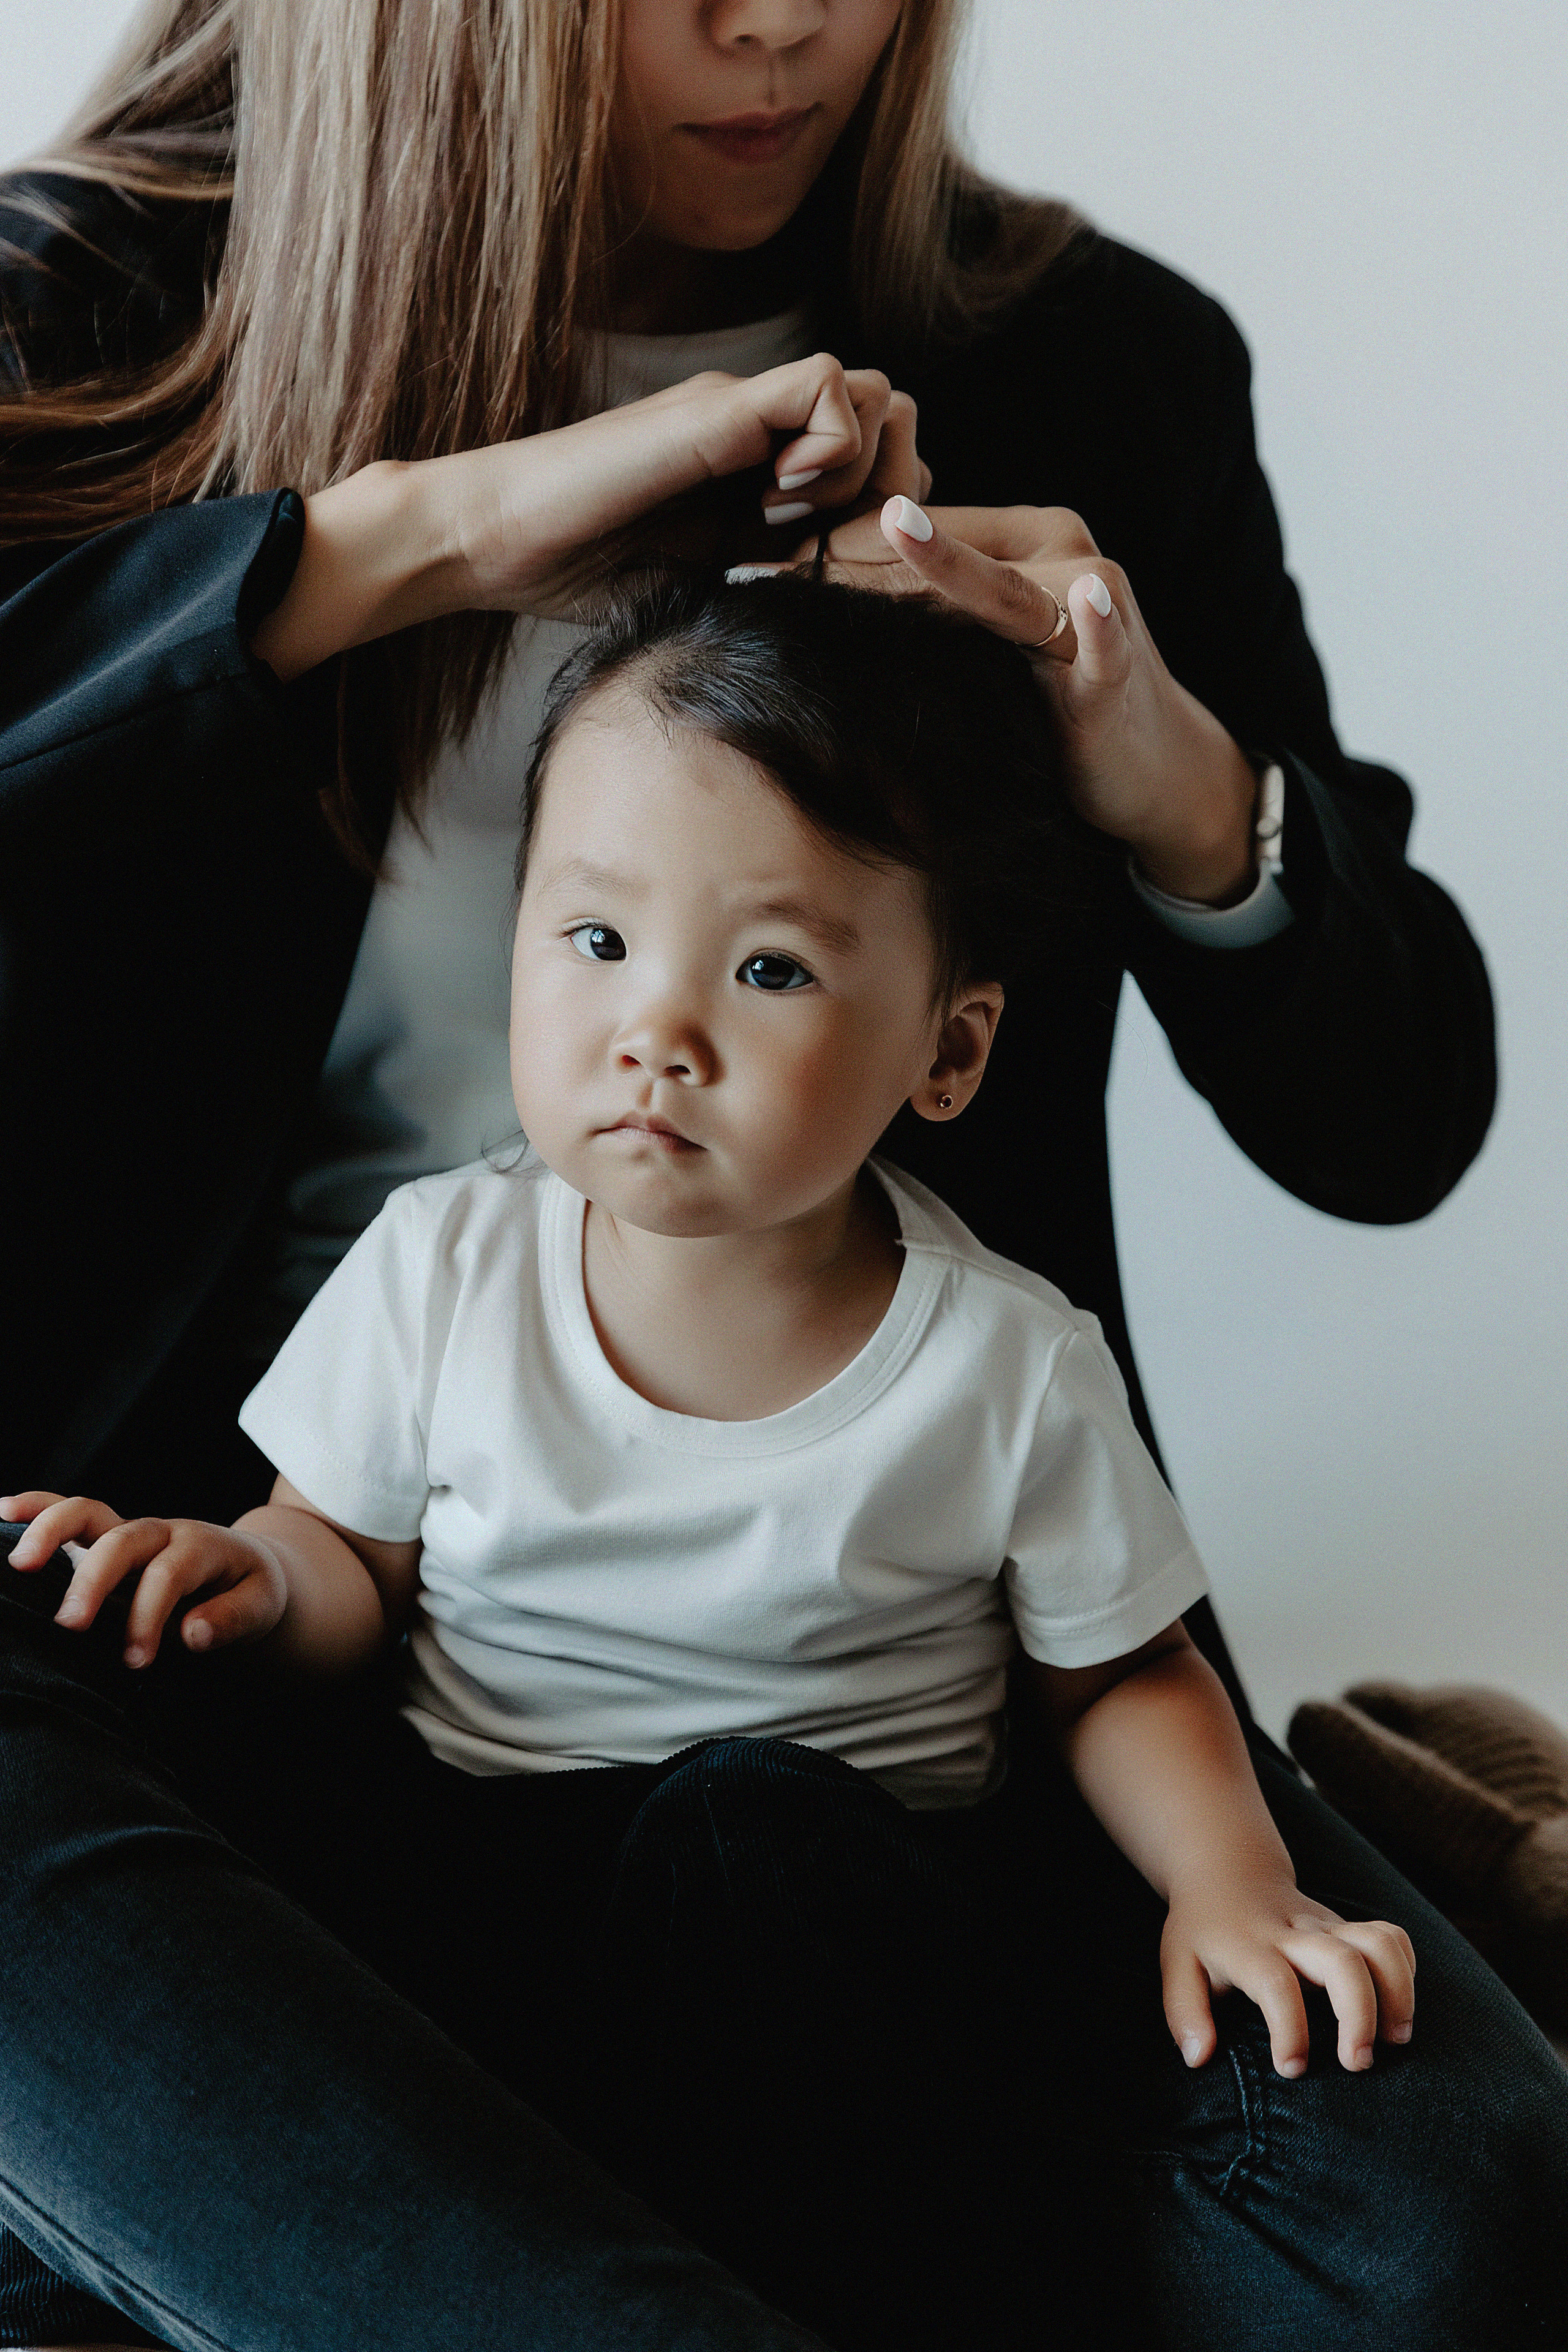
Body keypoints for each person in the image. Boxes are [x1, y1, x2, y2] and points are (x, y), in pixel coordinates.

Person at [0, 0, 1561, 2346]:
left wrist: (1155, 763)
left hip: (879, 1713)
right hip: (219, 1601)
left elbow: (1398, 1114)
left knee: (1447, 2235)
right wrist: (404, 543)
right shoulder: (86, 317)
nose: (793, 21)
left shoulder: (1093, 358)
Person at [4, 571, 1425, 2340]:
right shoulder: (443, 1266)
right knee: (300, 1856)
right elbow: (346, 1566)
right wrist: (235, 1576)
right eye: (594, 941)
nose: (654, 1033)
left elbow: (1120, 1676)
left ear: (949, 1046)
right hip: (492, 1866)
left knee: (767, 1858)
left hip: (840, 1937)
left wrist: (1235, 1882)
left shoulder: (1004, 1367)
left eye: (768, 970)